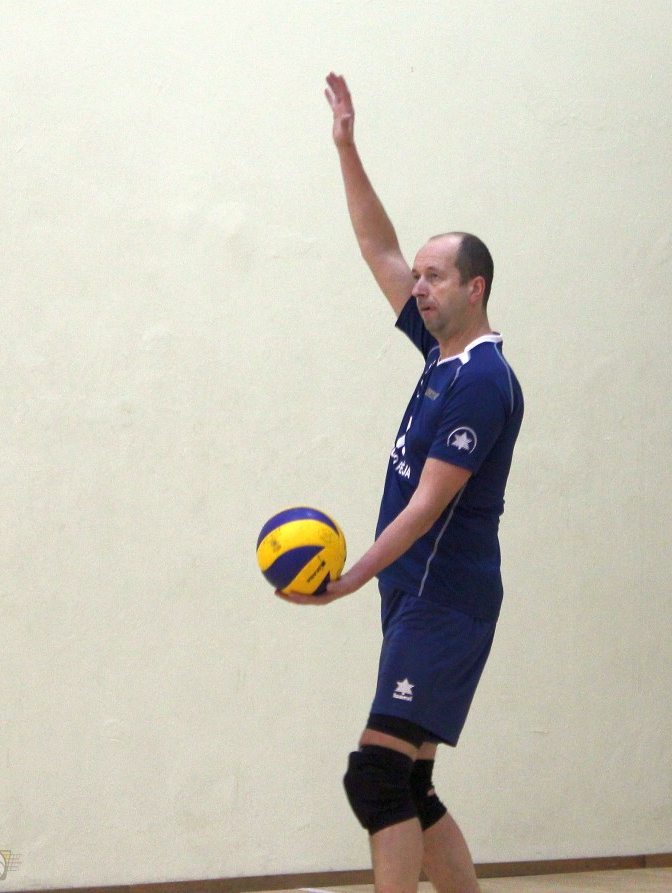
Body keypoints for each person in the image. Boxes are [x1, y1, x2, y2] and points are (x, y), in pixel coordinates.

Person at [276, 73, 524, 893]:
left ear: (474, 288)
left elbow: (425, 508)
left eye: (434, 276)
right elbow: (376, 248)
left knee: (376, 777)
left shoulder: (482, 381)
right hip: (417, 597)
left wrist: (348, 579)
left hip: (444, 599)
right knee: (408, 785)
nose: (417, 286)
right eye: (419, 276)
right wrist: (346, 147)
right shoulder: (440, 355)